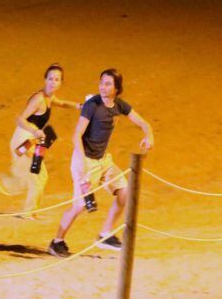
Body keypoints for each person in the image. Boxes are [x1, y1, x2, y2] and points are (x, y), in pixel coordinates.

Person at [48, 69, 154, 257]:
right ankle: (57, 242)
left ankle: (105, 234)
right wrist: (84, 166)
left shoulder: (118, 105)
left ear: (117, 89)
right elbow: (76, 136)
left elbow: (143, 122)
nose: (102, 87)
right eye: (101, 82)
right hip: (85, 160)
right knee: (79, 206)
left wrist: (149, 134)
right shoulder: (92, 105)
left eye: (107, 84)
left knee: (125, 192)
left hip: (104, 160)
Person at [0, 64, 81, 217]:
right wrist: (35, 130)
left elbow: (61, 103)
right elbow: (20, 119)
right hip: (23, 140)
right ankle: (28, 213)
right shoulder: (39, 99)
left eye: (57, 80)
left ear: (61, 82)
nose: (53, 82)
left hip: (30, 140)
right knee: (38, 176)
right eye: (50, 79)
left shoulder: (49, 98)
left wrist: (80, 106)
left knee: (23, 180)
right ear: (45, 79)